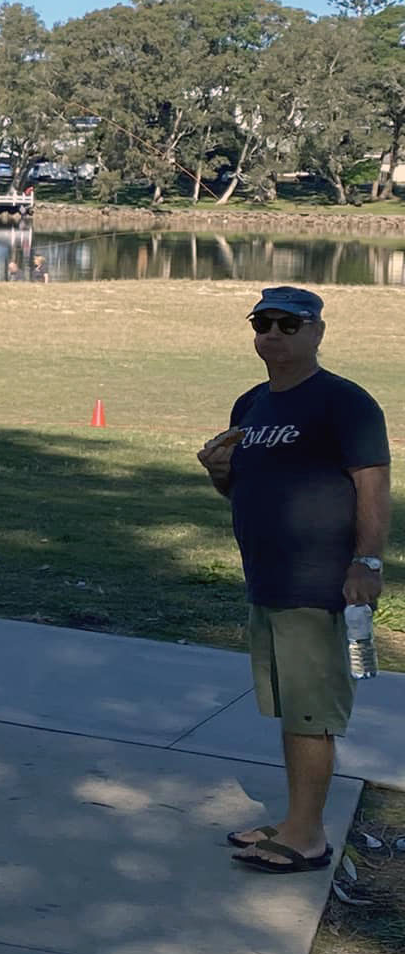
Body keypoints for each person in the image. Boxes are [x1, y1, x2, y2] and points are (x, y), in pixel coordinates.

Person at [196, 286, 387, 874]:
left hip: (320, 582)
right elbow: (240, 488)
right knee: (291, 710)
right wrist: (218, 472)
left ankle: (307, 838)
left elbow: (373, 487)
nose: (273, 334)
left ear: (317, 333)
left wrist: (368, 563)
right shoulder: (251, 403)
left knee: (312, 714)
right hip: (269, 580)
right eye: (263, 323)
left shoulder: (344, 403)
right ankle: (294, 819)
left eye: (289, 324)